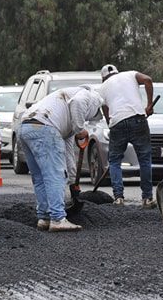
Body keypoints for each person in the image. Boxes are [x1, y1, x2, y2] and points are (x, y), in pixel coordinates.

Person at [18, 85, 103, 232]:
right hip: (45, 127)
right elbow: (77, 103)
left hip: (26, 127)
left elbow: (68, 153)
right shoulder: (92, 96)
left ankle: (44, 217)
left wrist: (72, 182)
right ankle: (57, 218)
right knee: (55, 175)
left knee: (40, 176)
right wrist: (80, 128)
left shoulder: (63, 116)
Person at [98, 64, 157, 208]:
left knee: (114, 161)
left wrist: (114, 125)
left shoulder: (102, 88)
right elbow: (148, 80)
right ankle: (147, 198)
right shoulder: (130, 74)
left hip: (117, 123)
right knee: (144, 159)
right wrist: (149, 105)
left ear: (103, 77)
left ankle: (118, 198)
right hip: (138, 118)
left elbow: (107, 116)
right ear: (117, 72)